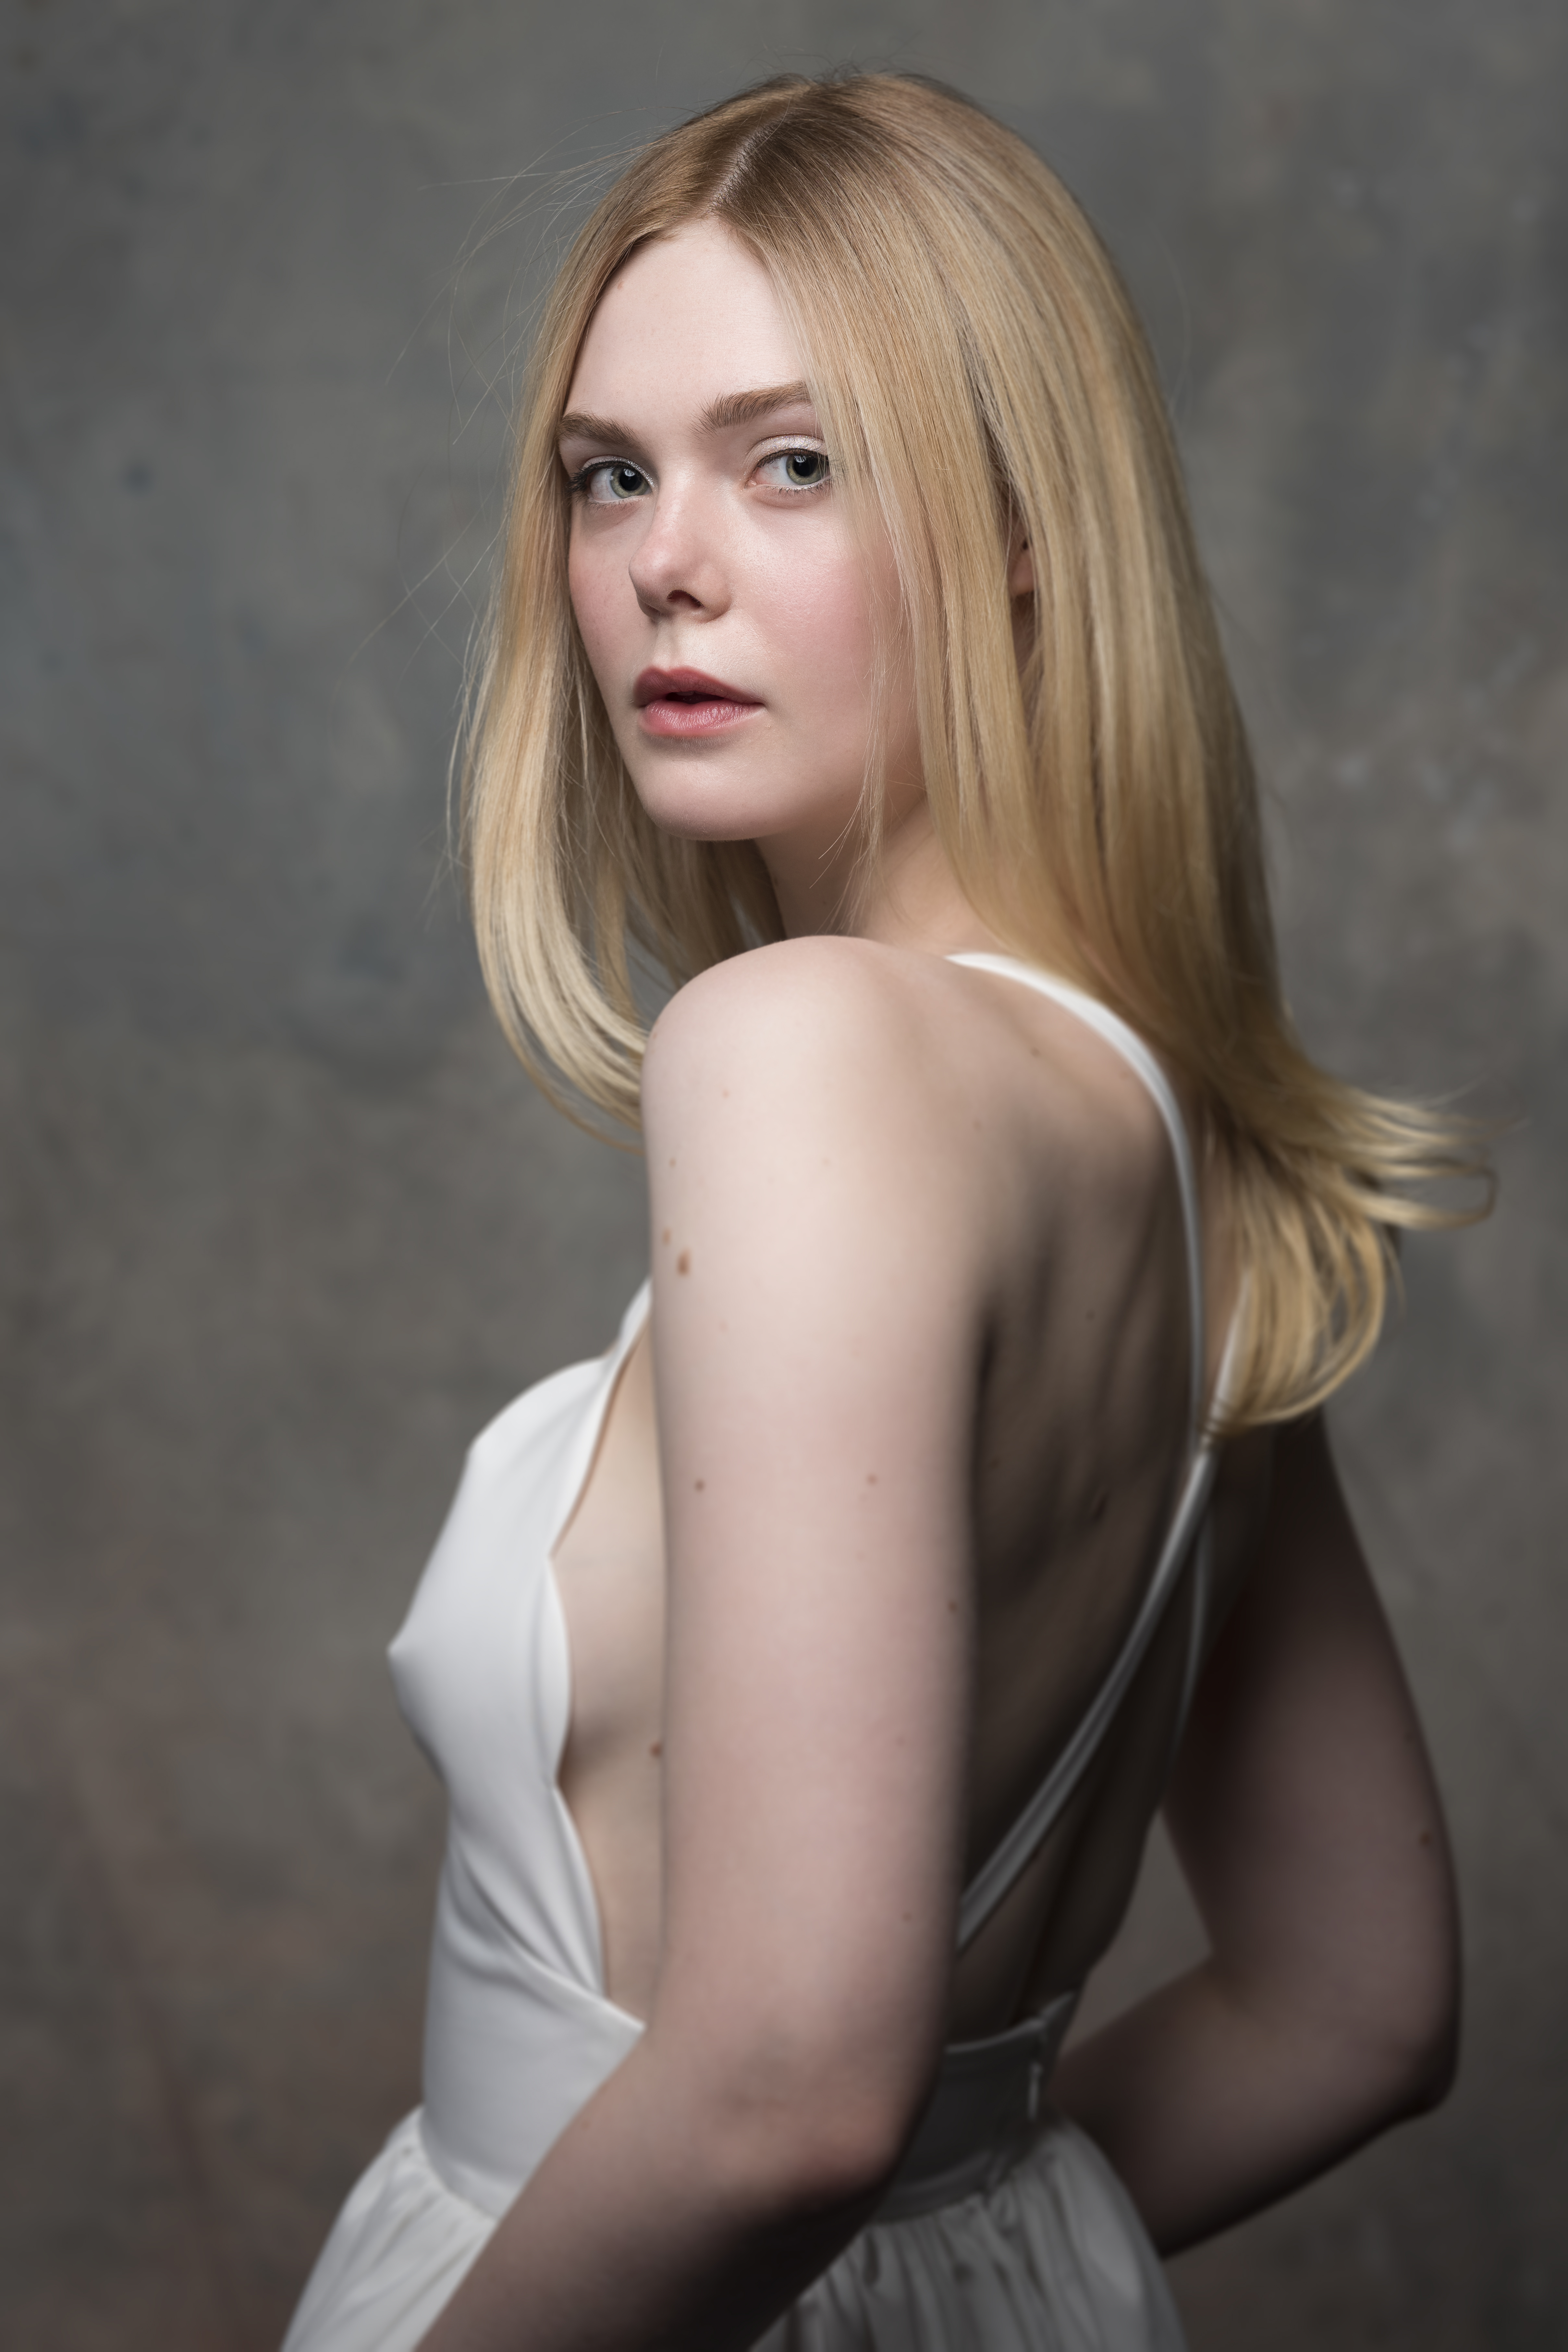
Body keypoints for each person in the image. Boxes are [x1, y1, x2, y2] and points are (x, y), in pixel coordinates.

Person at [282, 71, 1485, 2352]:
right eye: (610, 475)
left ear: (1026, 529)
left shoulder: (802, 1051)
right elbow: (1356, 2001)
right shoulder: (1188, 1151)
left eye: (793, 462)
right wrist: (963, 2264)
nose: (667, 562)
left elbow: (783, 2097)